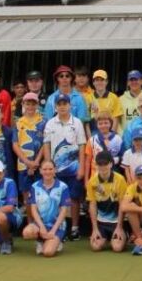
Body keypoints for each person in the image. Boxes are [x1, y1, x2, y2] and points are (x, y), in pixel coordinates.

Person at [41, 93, 88, 240]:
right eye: (59, 104)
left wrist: (81, 167)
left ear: (70, 105)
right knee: (56, 199)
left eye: (65, 104)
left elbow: (82, 146)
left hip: (74, 168)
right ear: (55, 106)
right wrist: (49, 167)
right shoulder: (50, 123)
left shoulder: (77, 123)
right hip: (56, 170)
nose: (62, 107)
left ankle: (74, 228)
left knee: (74, 198)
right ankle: (58, 227)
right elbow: (46, 145)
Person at [21, 159, 70, 257]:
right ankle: (40, 241)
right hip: (40, 224)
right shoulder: (34, 187)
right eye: (45, 169)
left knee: (47, 253)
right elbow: (33, 209)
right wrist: (42, 227)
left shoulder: (63, 187)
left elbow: (64, 211)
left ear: (55, 170)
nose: (48, 172)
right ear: (40, 171)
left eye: (50, 169)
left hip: (57, 225)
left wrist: (53, 230)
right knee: (26, 233)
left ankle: (56, 242)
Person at [87, 151, 129, 253]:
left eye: (105, 164)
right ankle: (105, 238)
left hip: (117, 222)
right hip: (101, 223)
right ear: (96, 165)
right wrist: (95, 229)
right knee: (95, 247)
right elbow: (92, 206)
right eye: (99, 164)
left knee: (117, 248)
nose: (102, 167)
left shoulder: (120, 179)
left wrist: (119, 227)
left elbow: (122, 205)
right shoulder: (92, 182)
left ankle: (124, 234)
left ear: (111, 164)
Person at [13, 92, 45, 200]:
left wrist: (36, 162)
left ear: (37, 105)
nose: (30, 106)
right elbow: (15, 144)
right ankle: (30, 218)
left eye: (33, 104)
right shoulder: (18, 122)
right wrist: (27, 162)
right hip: (23, 165)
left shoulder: (43, 121)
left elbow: (46, 143)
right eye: (28, 103)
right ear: (23, 104)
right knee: (26, 195)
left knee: (40, 194)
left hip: (40, 164)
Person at [85, 111, 123, 179]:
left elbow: (122, 158)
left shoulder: (118, 139)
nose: (103, 125)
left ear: (110, 123)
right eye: (100, 123)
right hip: (95, 176)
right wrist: (86, 180)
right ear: (97, 125)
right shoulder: (92, 140)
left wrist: (115, 160)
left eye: (106, 123)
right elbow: (88, 162)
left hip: (113, 177)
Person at [89, 69, 123, 134]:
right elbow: (87, 120)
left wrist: (112, 134)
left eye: (102, 80)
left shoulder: (114, 97)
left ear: (106, 82)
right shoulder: (88, 98)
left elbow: (116, 118)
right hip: (94, 131)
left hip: (110, 130)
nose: (99, 82)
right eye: (97, 80)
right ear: (93, 82)